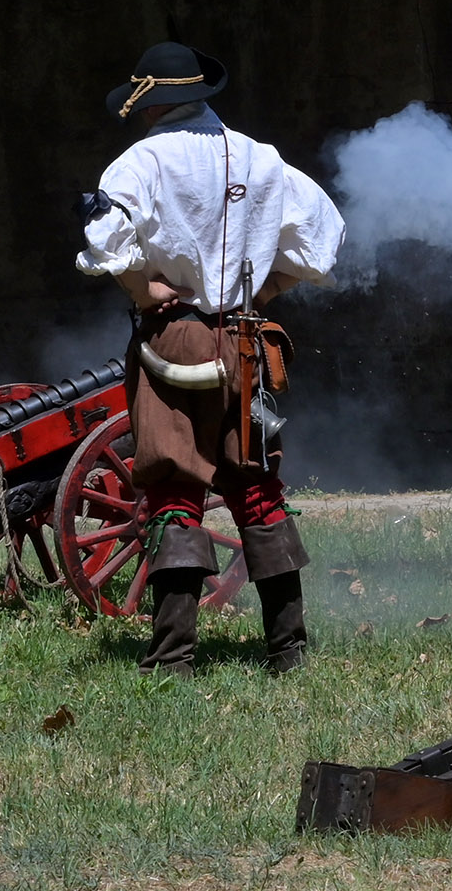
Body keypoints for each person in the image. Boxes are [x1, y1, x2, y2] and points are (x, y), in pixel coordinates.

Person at [77, 42, 345, 676]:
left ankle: (173, 657)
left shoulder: (140, 161)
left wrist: (146, 291)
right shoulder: (262, 157)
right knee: (255, 486)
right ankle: (289, 649)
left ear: (153, 105)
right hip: (247, 337)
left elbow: (101, 237)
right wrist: (267, 289)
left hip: (178, 339)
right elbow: (322, 236)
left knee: (175, 487)